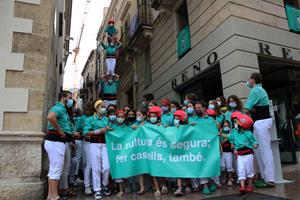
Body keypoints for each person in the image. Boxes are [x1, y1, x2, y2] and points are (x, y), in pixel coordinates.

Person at [244, 72, 275, 187]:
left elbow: (246, 108)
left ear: (253, 80)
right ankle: (265, 177)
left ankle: (270, 179)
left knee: (265, 150)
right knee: (259, 150)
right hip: (259, 122)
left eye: (249, 79)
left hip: (261, 122)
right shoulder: (259, 90)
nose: (247, 81)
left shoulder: (256, 90)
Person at [44, 90, 73, 200]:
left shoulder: (63, 109)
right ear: (63, 97)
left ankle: (50, 196)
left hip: (54, 142)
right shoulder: (59, 108)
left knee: (53, 170)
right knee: (56, 169)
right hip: (56, 141)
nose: (70, 100)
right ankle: (55, 196)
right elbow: (51, 117)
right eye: (69, 98)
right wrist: (60, 131)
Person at [219, 113, 258, 193]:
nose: (235, 123)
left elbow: (254, 141)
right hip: (240, 155)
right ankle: (242, 186)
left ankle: (250, 185)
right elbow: (228, 136)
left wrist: (255, 144)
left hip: (248, 154)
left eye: (236, 122)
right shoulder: (234, 132)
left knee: (249, 170)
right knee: (241, 170)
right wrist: (221, 134)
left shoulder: (248, 133)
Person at [83, 100, 111, 200]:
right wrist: (99, 131)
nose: (104, 108)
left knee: (107, 167)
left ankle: (105, 184)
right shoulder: (90, 119)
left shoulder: (107, 119)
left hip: (105, 144)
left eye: (104, 106)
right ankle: (97, 189)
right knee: (96, 167)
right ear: (96, 108)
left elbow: (113, 129)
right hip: (94, 144)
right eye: (102, 106)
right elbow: (85, 132)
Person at [147, 106, 163, 196]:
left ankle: (163, 185)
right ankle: (157, 188)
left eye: (154, 116)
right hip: (151, 151)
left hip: (161, 150)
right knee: (153, 170)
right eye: (151, 116)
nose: (152, 117)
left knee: (162, 168)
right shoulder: (146, 126)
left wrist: (162, 126)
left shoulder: (162, 125)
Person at [173, 110, 189, 197]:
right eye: (174, 118)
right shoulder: (172, 128)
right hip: (177, 151)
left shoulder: (187, 127)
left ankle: (187, 185)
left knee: (186, 169)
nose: (175, 119)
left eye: (177, 118)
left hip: (187, 151)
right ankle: (179, 188)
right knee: (179, 170)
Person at [220, 120, 234, 186]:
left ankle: (229, 179)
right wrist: (227, 137)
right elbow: (221, 142)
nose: (226, 127)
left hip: (229, 153)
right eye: (224, 126)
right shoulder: (220, 134)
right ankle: (223, 177)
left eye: (227, 126)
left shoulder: (232, 133)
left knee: (229, 166)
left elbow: (232, 144)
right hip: (222, 153)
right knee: (222, 166)